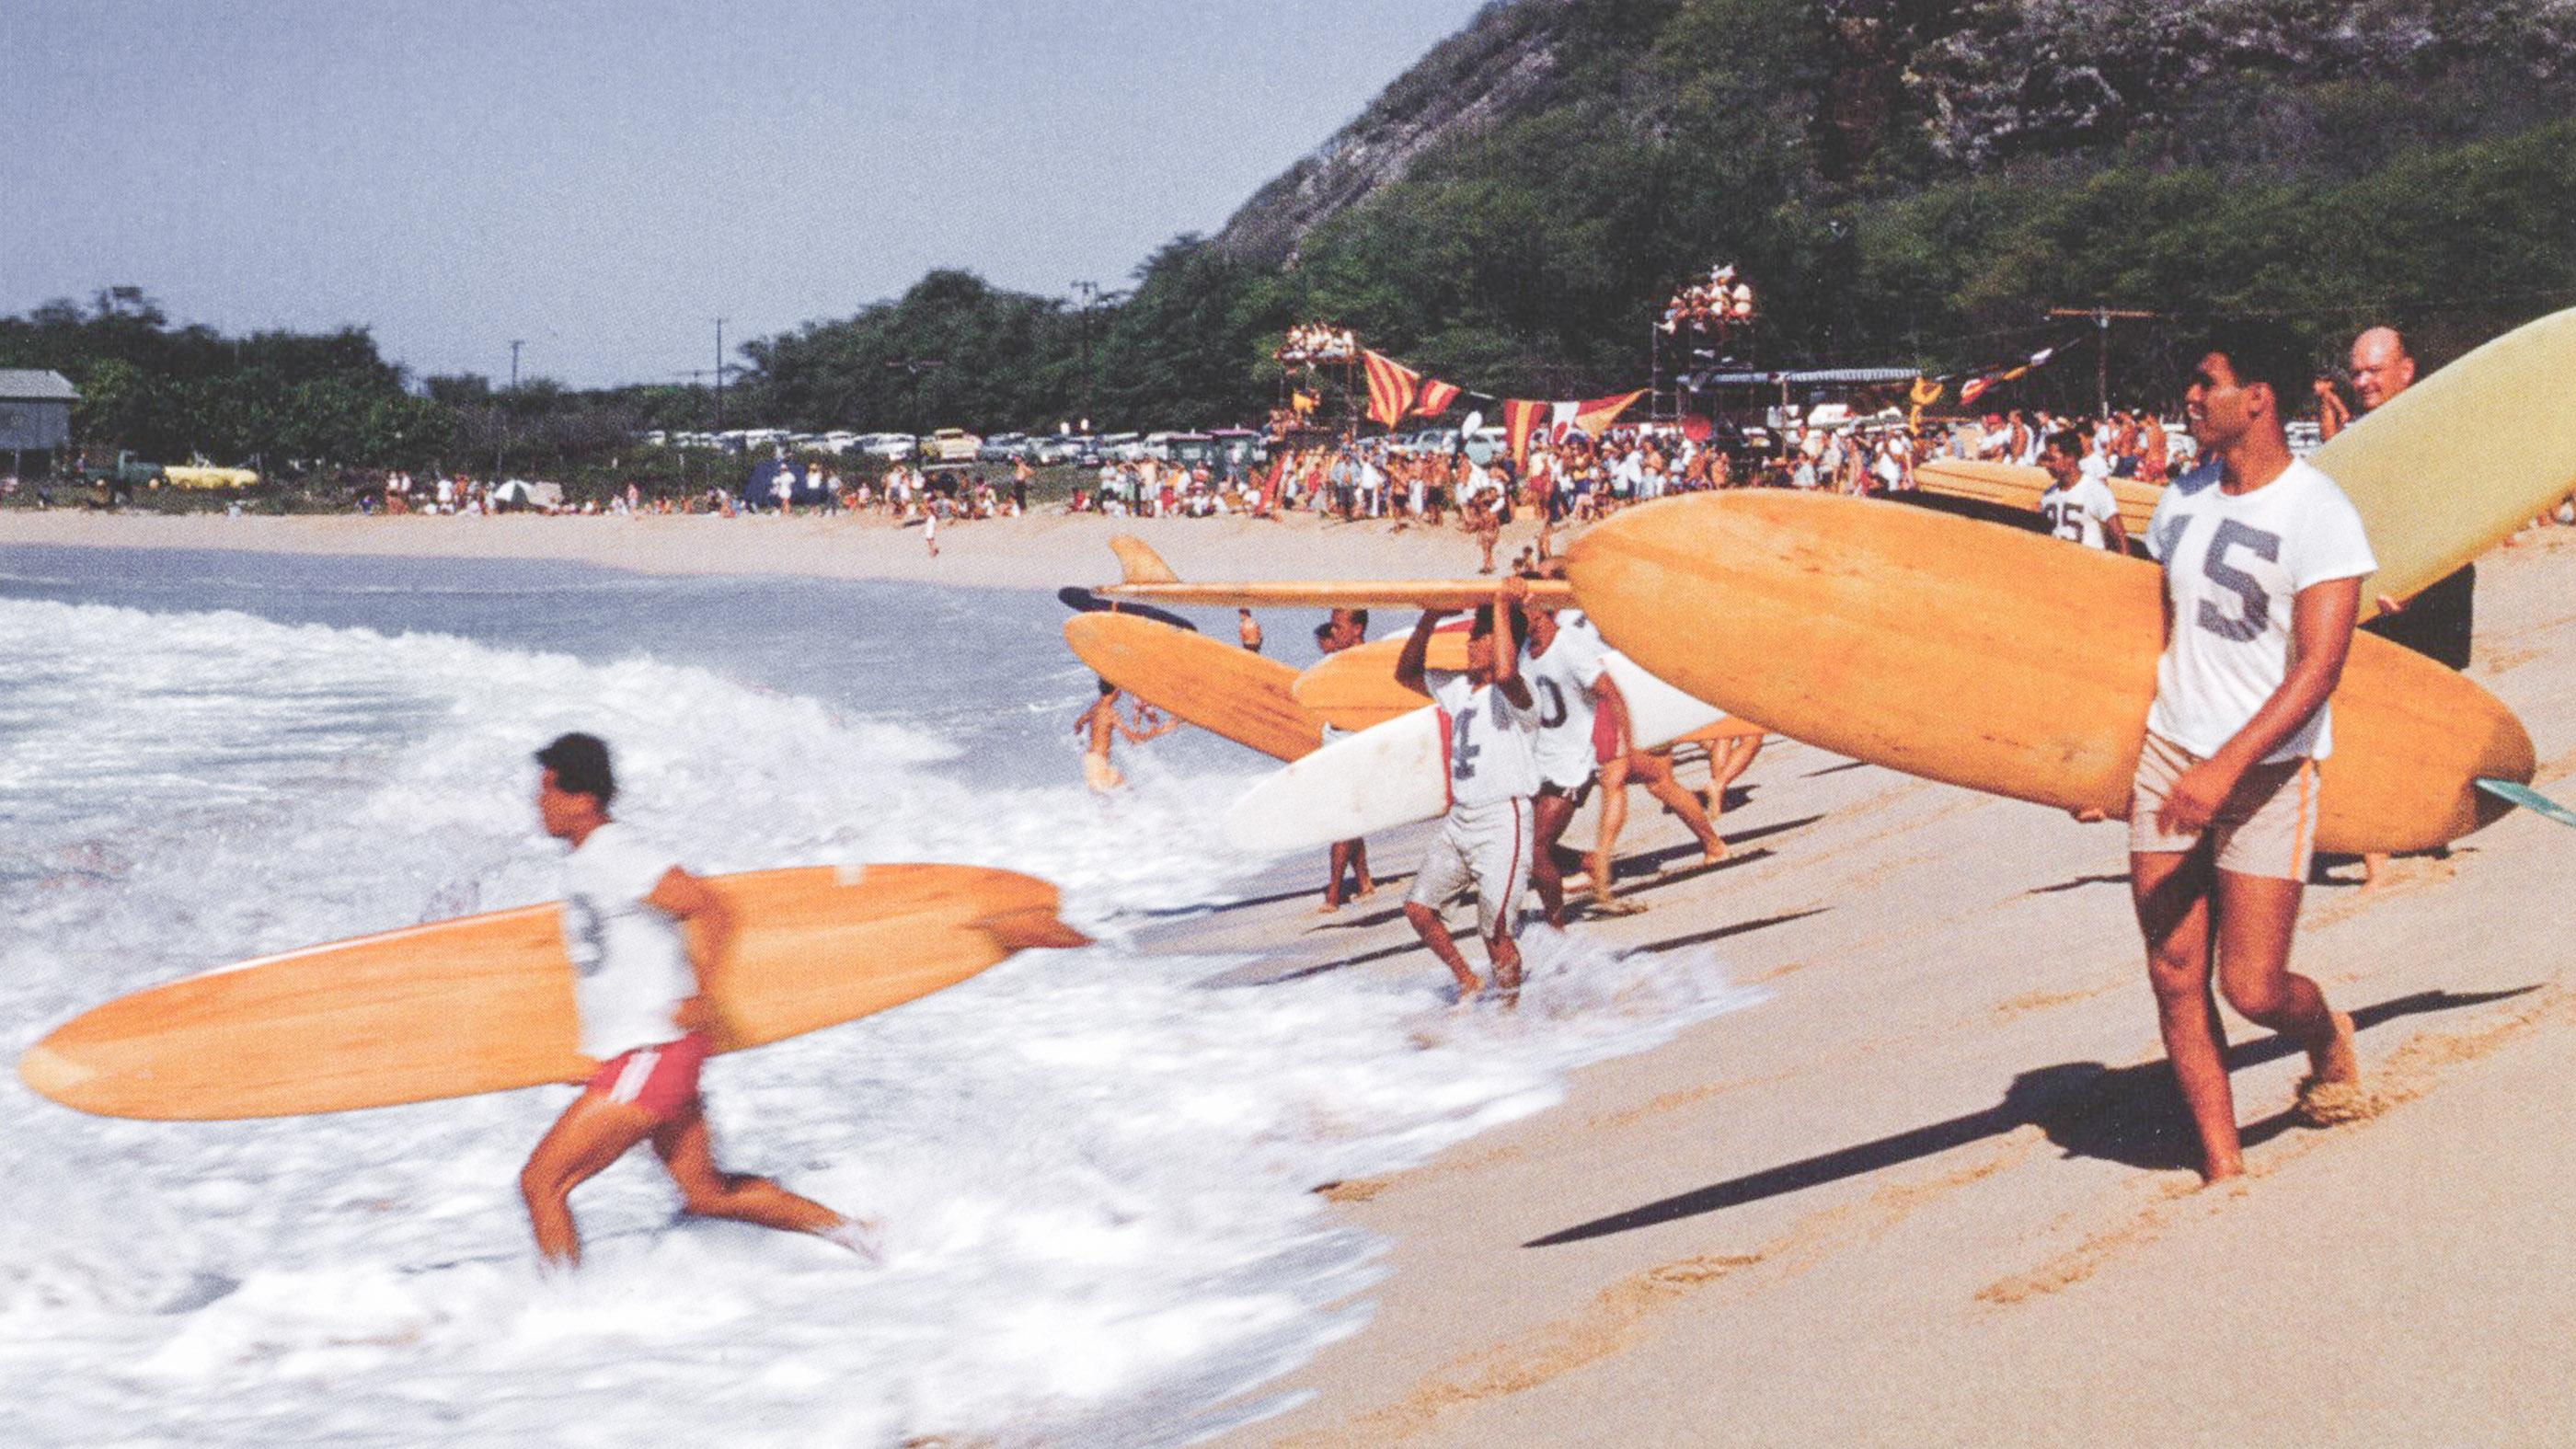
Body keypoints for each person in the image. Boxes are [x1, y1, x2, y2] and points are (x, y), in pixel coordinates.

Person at [2112, 326, 2368, 1182]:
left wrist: (2226, 764)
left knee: (2251, 988)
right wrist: (2102, 762)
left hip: (2265, 770)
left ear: (2257, 397)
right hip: (2168, 751)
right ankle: (2224, 1164)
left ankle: (2325, 1032)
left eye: (2205, 382)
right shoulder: (2180, 499)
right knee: (2175, 970)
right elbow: (2153, 636)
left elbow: (2320, 667)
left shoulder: (2318, 511)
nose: (2190, 398)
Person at [519, 733, 868, 1270]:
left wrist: (701, 992)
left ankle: (567, 1312)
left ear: (582, 798)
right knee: (705, 1193)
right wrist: (601, 1055)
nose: (537, 802)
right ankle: (861, 1234)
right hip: (642, 1054)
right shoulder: (587, 861)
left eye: (547, 791)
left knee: (542, 1182)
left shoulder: (618, 853)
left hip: (653, 1055)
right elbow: (619, 965)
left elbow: (706, 906)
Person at [1395, 579, 1540, 1006]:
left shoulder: (1518, 692)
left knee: (1493, 929)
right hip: (1461, 819)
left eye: (1480, 635)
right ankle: (1467, 979)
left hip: (1503, 819)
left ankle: (1509, 1012)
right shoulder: (1460, 689)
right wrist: (1430, 618)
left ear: (1503, 640)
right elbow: (1406, 674)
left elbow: (1507, 670)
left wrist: (1499, 603)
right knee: (1419, 909)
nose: (1470, 642)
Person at [1519, 597, 1621, 928]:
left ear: (1542, 610)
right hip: (1539, 763)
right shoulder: (1523, 650)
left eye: (1523, 610)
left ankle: (1556, 927)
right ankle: (1591, 864)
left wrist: (1622, 749)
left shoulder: (1570, 647)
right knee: (1525, 845)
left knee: (1535, 851)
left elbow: (1610, 693)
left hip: (1573, 765)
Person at [1315, 610, 1375, 911]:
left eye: (1338, 627)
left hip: (1353, 746)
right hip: (1337, 743)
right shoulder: (1342, 659)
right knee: (1350, 817)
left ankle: (1334, 894)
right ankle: (1363, 881)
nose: (1332, 632)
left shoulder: (1365, 660)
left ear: (1357, 628)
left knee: (1343, 819)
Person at [2037, 427, 2131, 554]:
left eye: (2052, 460)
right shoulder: (2048, 495)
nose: (2047, 465)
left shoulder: (2095, 490)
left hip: (2090, 568)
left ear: (2070, 458)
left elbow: (2120, 538)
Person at [1074, 678, 1176, 792]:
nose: (1121, 692)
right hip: (1099, 765)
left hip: (1090, 761)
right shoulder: (1110, 713)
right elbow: (1133, 740)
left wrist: (1082, 743)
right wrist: (1162, 729)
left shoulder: (1095, 708)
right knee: (1128, 793)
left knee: (1123, 794)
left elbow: (1077, 725)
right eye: (1120, 688)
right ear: (1115, 691)